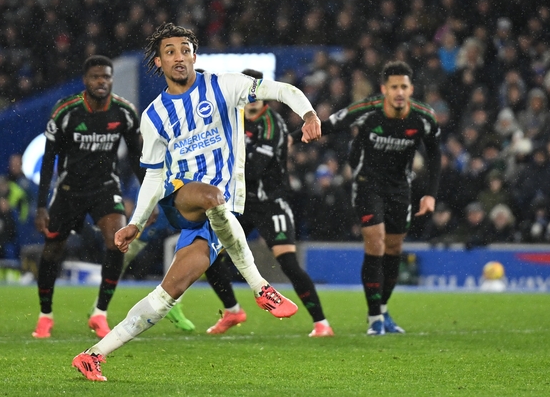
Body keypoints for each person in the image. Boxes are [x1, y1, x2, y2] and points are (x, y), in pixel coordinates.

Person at [72, 22, 321, 381]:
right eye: (170, 51)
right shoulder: (154, 116)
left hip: (219, 213)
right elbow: (155, 176)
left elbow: (281, 90)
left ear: (194, 55)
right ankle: (261, 288)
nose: (179, 57)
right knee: (210, 195)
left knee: (168, 293)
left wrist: (309, 113)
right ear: (158, 62)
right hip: (183, 197)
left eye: (185, 49)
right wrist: (136, 222)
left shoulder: (224, 85)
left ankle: (93, 356)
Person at [292, 61, 441, 335]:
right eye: (393, 87)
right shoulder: (366, 110)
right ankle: (374, 318)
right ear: (384, 89)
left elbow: (434, 154)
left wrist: (430, 195)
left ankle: (382, 309)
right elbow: (326, 126)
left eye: (403, 87)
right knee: (376, 242)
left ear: (411, 89)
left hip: (400, 188)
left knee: (394, 249)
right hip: (367, 184)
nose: (399, 92)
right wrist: (289, 139)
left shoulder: (424, 117)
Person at [202, 68, 334, 338]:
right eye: (246, 92)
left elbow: (254, 168)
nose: (251, 98)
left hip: (270, 202)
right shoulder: (232, 118)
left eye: (255, 92)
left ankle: (321, 323)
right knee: (207, 256)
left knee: (288, 262)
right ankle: (232, 310)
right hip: (239, 203)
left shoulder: (273, 123)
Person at [32, 55, 144, 339]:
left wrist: (146, 197)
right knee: (51, 250)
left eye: (106, 76)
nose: (102, 81)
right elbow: (49, 159)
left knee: (117, 243)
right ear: (86, 80)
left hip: (106, 188)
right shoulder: (66, 111)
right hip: (69, 191)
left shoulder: (124, 112)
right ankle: (45, 315)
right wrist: (41, 206)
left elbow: (135, 157)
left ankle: (100, 314)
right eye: (96, 77)